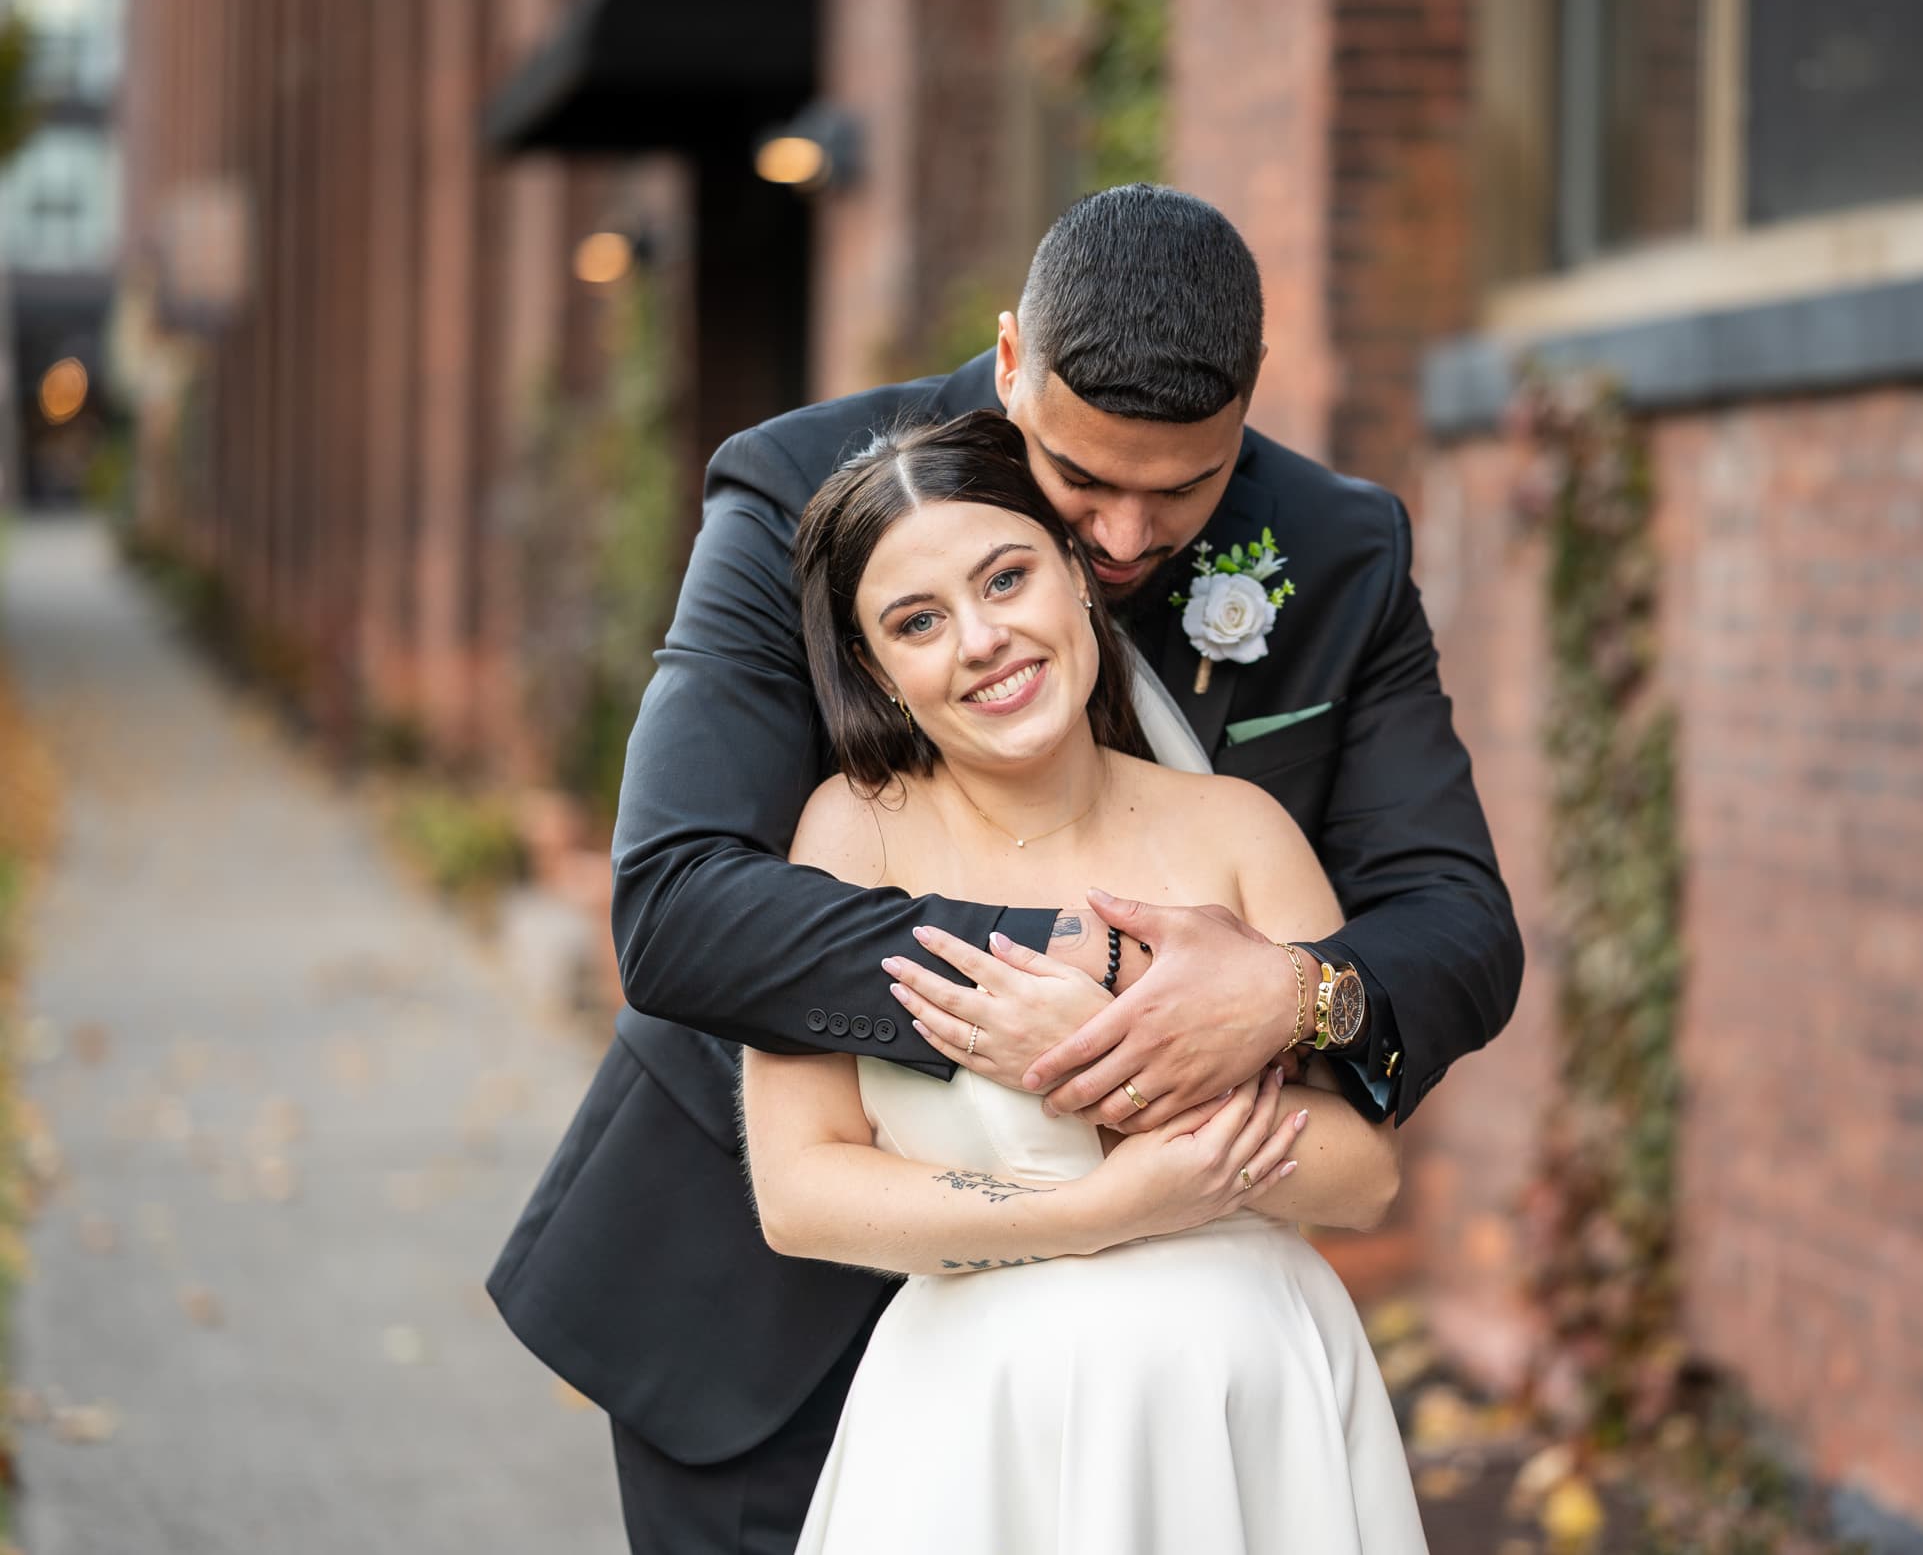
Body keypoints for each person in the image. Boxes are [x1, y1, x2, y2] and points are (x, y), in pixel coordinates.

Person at [486, 185, 1522, 1555]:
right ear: (1012, 360)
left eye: (1184, 489)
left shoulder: (1338, 555)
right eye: (1081, 484)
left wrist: (1294, 998)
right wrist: (1095, 983)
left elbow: (1456, 926)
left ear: (1253, 399)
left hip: (1172, 1380)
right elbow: (679, 902)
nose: (1126, 542)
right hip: (770, 1313)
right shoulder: (801, 487)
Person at [746, 409, 1426, 1552]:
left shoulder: (1238, 831)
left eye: (1005, 578)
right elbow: (801, 1192)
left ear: (1074, 574)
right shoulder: (853, 839)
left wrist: (1118, 1075)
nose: (981, 639)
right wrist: (1101, 1208)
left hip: (1246, 1412)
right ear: (877, 669)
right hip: (982, 1432)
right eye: (918, 620)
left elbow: (1361, 1173)